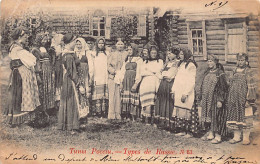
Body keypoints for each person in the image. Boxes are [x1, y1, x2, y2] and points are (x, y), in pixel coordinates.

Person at [5, 28, 40, 126]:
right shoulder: (18, 49)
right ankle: (21, 118)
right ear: (20, 37)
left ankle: (17, 118)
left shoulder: (14, 47)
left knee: (17, 94)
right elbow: (32, 61)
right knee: (22, 94)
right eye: (25, 36)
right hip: (22, 73)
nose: (26, 38)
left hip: (17, 72)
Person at [226, 53, 257, 145]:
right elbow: (230, 84)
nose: (240, 62)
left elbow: (251, 87)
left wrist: (249, 100)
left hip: (244, 100)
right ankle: (236, 137)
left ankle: (246, 138)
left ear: (246, 61)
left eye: (242, 60)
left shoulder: (248, 71)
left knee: (245, 118)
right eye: (239, 60)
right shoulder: (234, 70)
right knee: (235, 117)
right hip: (234, 99)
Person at [198, 55, 229, 144]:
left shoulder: (220, 73)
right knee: (209, 115)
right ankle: (211, 133)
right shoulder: (207, 72)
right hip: (207, 98)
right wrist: (201, 97)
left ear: (215, 62)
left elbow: (223, 88)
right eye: (208, 61)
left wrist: (220, 100)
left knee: (217, 116)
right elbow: (202, 85)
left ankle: (218, 135)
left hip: (215, 98)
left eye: (211, 61)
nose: (209, 63)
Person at [170, 48, 199, 138]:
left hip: (186, 92)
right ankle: (182, 130)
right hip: (179, 91)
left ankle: (189, 132)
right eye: (180, 54)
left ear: (186, 55)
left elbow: (191, 81)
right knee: (180, 112)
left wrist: (186, 93)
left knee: (188, 112)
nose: (180, 56)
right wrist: (173, 90)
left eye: (182, 54)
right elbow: (177, 78)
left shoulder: (191, 65)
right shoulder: (181, 64)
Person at [57, 33, 80, 134]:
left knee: (66, 100)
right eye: (74, 41)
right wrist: (78, 82)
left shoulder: (65, 53)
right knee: (72, 100)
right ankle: (71, 126)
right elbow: (72, 72)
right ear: (70, 42)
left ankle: (65, 124)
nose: (75, 43)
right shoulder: (69, 56)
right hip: (70, 80)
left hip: (66, 79)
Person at [154, 47, 180, 130]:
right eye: (168, 53)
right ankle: (162, 122)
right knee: (162, 101)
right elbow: (158, 73)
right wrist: (163, 75)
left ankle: (170, 124)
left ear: (175, 54)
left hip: (170, 85)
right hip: (163, 84)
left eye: (170, 53)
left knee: (169, 102)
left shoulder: (177, 63)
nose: (168, 55)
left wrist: (164, 75)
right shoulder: (166, 63)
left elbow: (171, 75)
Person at [139, 43, 164, 125]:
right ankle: (147, 119)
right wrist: (152, 73)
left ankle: (154, 120)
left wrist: (150, 72)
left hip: (155, 83)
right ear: (149, 53)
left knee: (154, 101)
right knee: (147, 102)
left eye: (155, 53)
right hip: (146, 83)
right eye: (152, 53)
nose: (153, 54)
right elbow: (142, 72)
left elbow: (159, 71)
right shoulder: (145, 61)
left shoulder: (160, 61)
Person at [118, 43, 142, 121]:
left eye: (130, 49)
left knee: (133, 97)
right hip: (126, 80)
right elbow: (122, 71)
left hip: (133, 80)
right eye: (128, 49)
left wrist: (136, 84)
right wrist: (121, 82)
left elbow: (139, 72)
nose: (129, 51)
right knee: (126, 97)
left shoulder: (138, 59)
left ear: (134, 50)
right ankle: (126, 114)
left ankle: (133, 116)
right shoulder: (127, 59)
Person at [107, 39, 128, 120]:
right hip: (113, 76)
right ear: (115, 45)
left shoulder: (126, 54)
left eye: (121, 44)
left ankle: (118, 113)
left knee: (119, 96)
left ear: (124, 45)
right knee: (112, 95)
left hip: (122, 77)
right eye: (118, 44)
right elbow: (108, 66)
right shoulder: (111, 54)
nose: (120, 46)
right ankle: (111, 114)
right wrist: (114, 71)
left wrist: (122, 74)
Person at [89, 38, 109, 118]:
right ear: (97, 44)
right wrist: (92, 76)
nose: (101, 45)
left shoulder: (107, 54)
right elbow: (92, 66)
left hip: (105, 76)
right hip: (97, 76)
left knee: (104, 95)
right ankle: (98, 112)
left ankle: (104, 111)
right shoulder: (93, 54)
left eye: (102, 43)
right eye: (99, 43)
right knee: (97, 95)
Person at [74, 37, 90, 125]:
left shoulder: (87, 53)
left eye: (80, 44)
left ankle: (84, 116)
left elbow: (90, 66)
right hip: (77, 76)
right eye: (77, 44)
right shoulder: (74, 53)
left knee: (84, 95)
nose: (78, 45)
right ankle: (77, 115)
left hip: (84, 76)